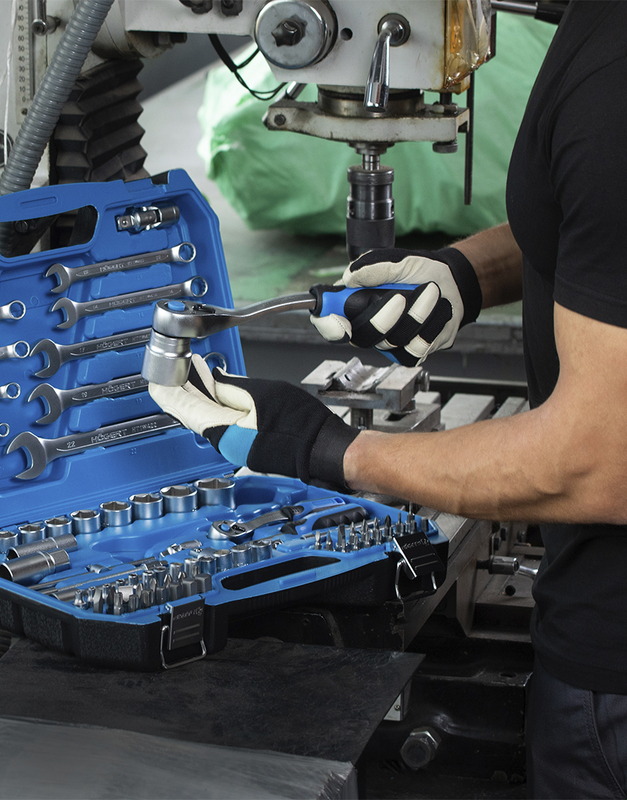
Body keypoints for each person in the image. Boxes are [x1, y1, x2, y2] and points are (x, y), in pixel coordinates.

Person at [149, 3, 627, 797]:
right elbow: (597, 222)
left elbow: (598, 463)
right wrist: (465, 275)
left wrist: (328, 449)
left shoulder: (613, 77)